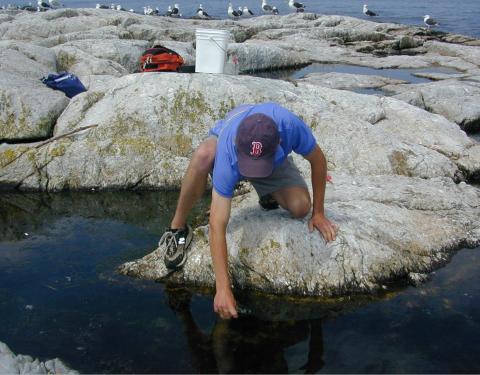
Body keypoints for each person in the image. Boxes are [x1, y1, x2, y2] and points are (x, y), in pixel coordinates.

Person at [159, 102, 337, 320]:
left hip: (270, 156)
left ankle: (268, 191)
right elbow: (217, 223)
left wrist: (318, 212)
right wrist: (223, 288)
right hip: (232, 146)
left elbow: (318, 161)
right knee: (204, 155)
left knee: (301, 208)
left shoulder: (289, 126)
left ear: (280, 142)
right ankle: (177, 228)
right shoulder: (228, 148)